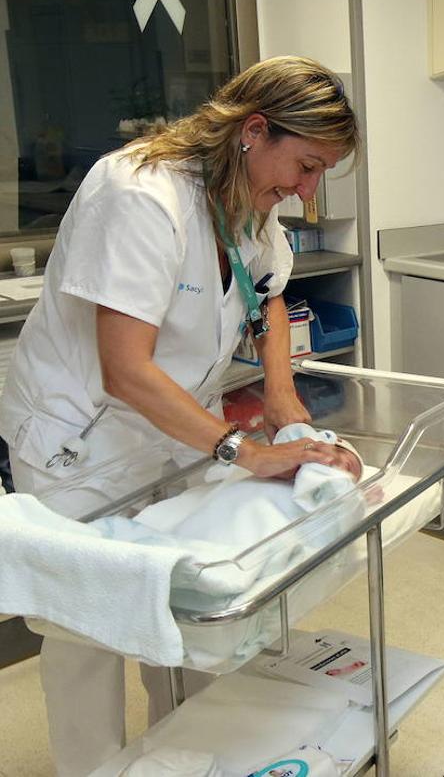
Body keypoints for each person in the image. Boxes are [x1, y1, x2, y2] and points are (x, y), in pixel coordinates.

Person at [0, 55, 359, 775]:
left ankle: (189, 754)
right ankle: (94, 766)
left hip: (175, 427)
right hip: (83, 437)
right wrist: (244, 451)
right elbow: (125, 368)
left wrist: (285, 406)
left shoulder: (251, 199)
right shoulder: (139, 194)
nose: (308, 189)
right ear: (254, 130)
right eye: (307, 165)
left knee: (187, 603)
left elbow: (271, 301)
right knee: (88, 631)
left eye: (323, 174)